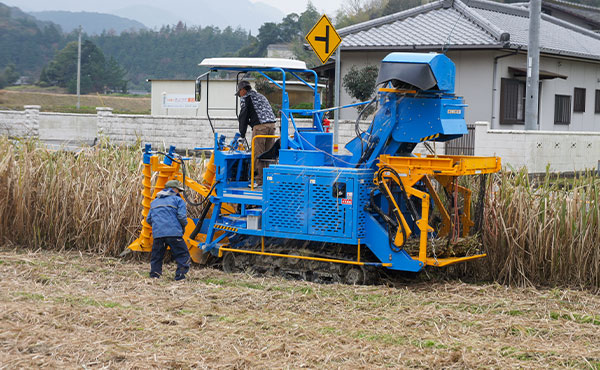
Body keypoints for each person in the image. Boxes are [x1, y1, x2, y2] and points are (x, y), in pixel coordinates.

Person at [146, 180, 190, 281]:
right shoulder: (178, 200)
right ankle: (180, 276)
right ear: (174, 189)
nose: (179, 192)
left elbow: (149, 219)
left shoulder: (154, 202)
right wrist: (184, 226)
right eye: (178, 190)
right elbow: (182, 217)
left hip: (158, 234)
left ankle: (154, 276)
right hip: (174, 233)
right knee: (183, 255)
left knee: (157, 256)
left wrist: (159, 226)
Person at [236, 80, 276, 187]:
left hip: (260, 127)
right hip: (272, 126)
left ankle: (258, 181)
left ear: (243, 90)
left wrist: (242, 134)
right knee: (268, 155)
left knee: (258, 154)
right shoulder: (260, 96)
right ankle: (267, 180)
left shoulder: (246, 98)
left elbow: (243, 116)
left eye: (239, 93)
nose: (239, 95)